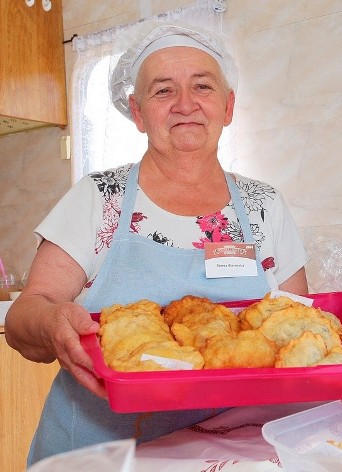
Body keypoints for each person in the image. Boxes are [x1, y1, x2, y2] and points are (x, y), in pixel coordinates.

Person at [4, 21, 309, 465]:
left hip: (234, 453)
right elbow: (23, 316)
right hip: (101, 452)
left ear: (227, 106)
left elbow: (298, 329)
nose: (185, 105)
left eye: (201, 86)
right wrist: (52, 322)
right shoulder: (99, 197)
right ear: (138, 112)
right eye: (163, 91)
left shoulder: (265, 205)